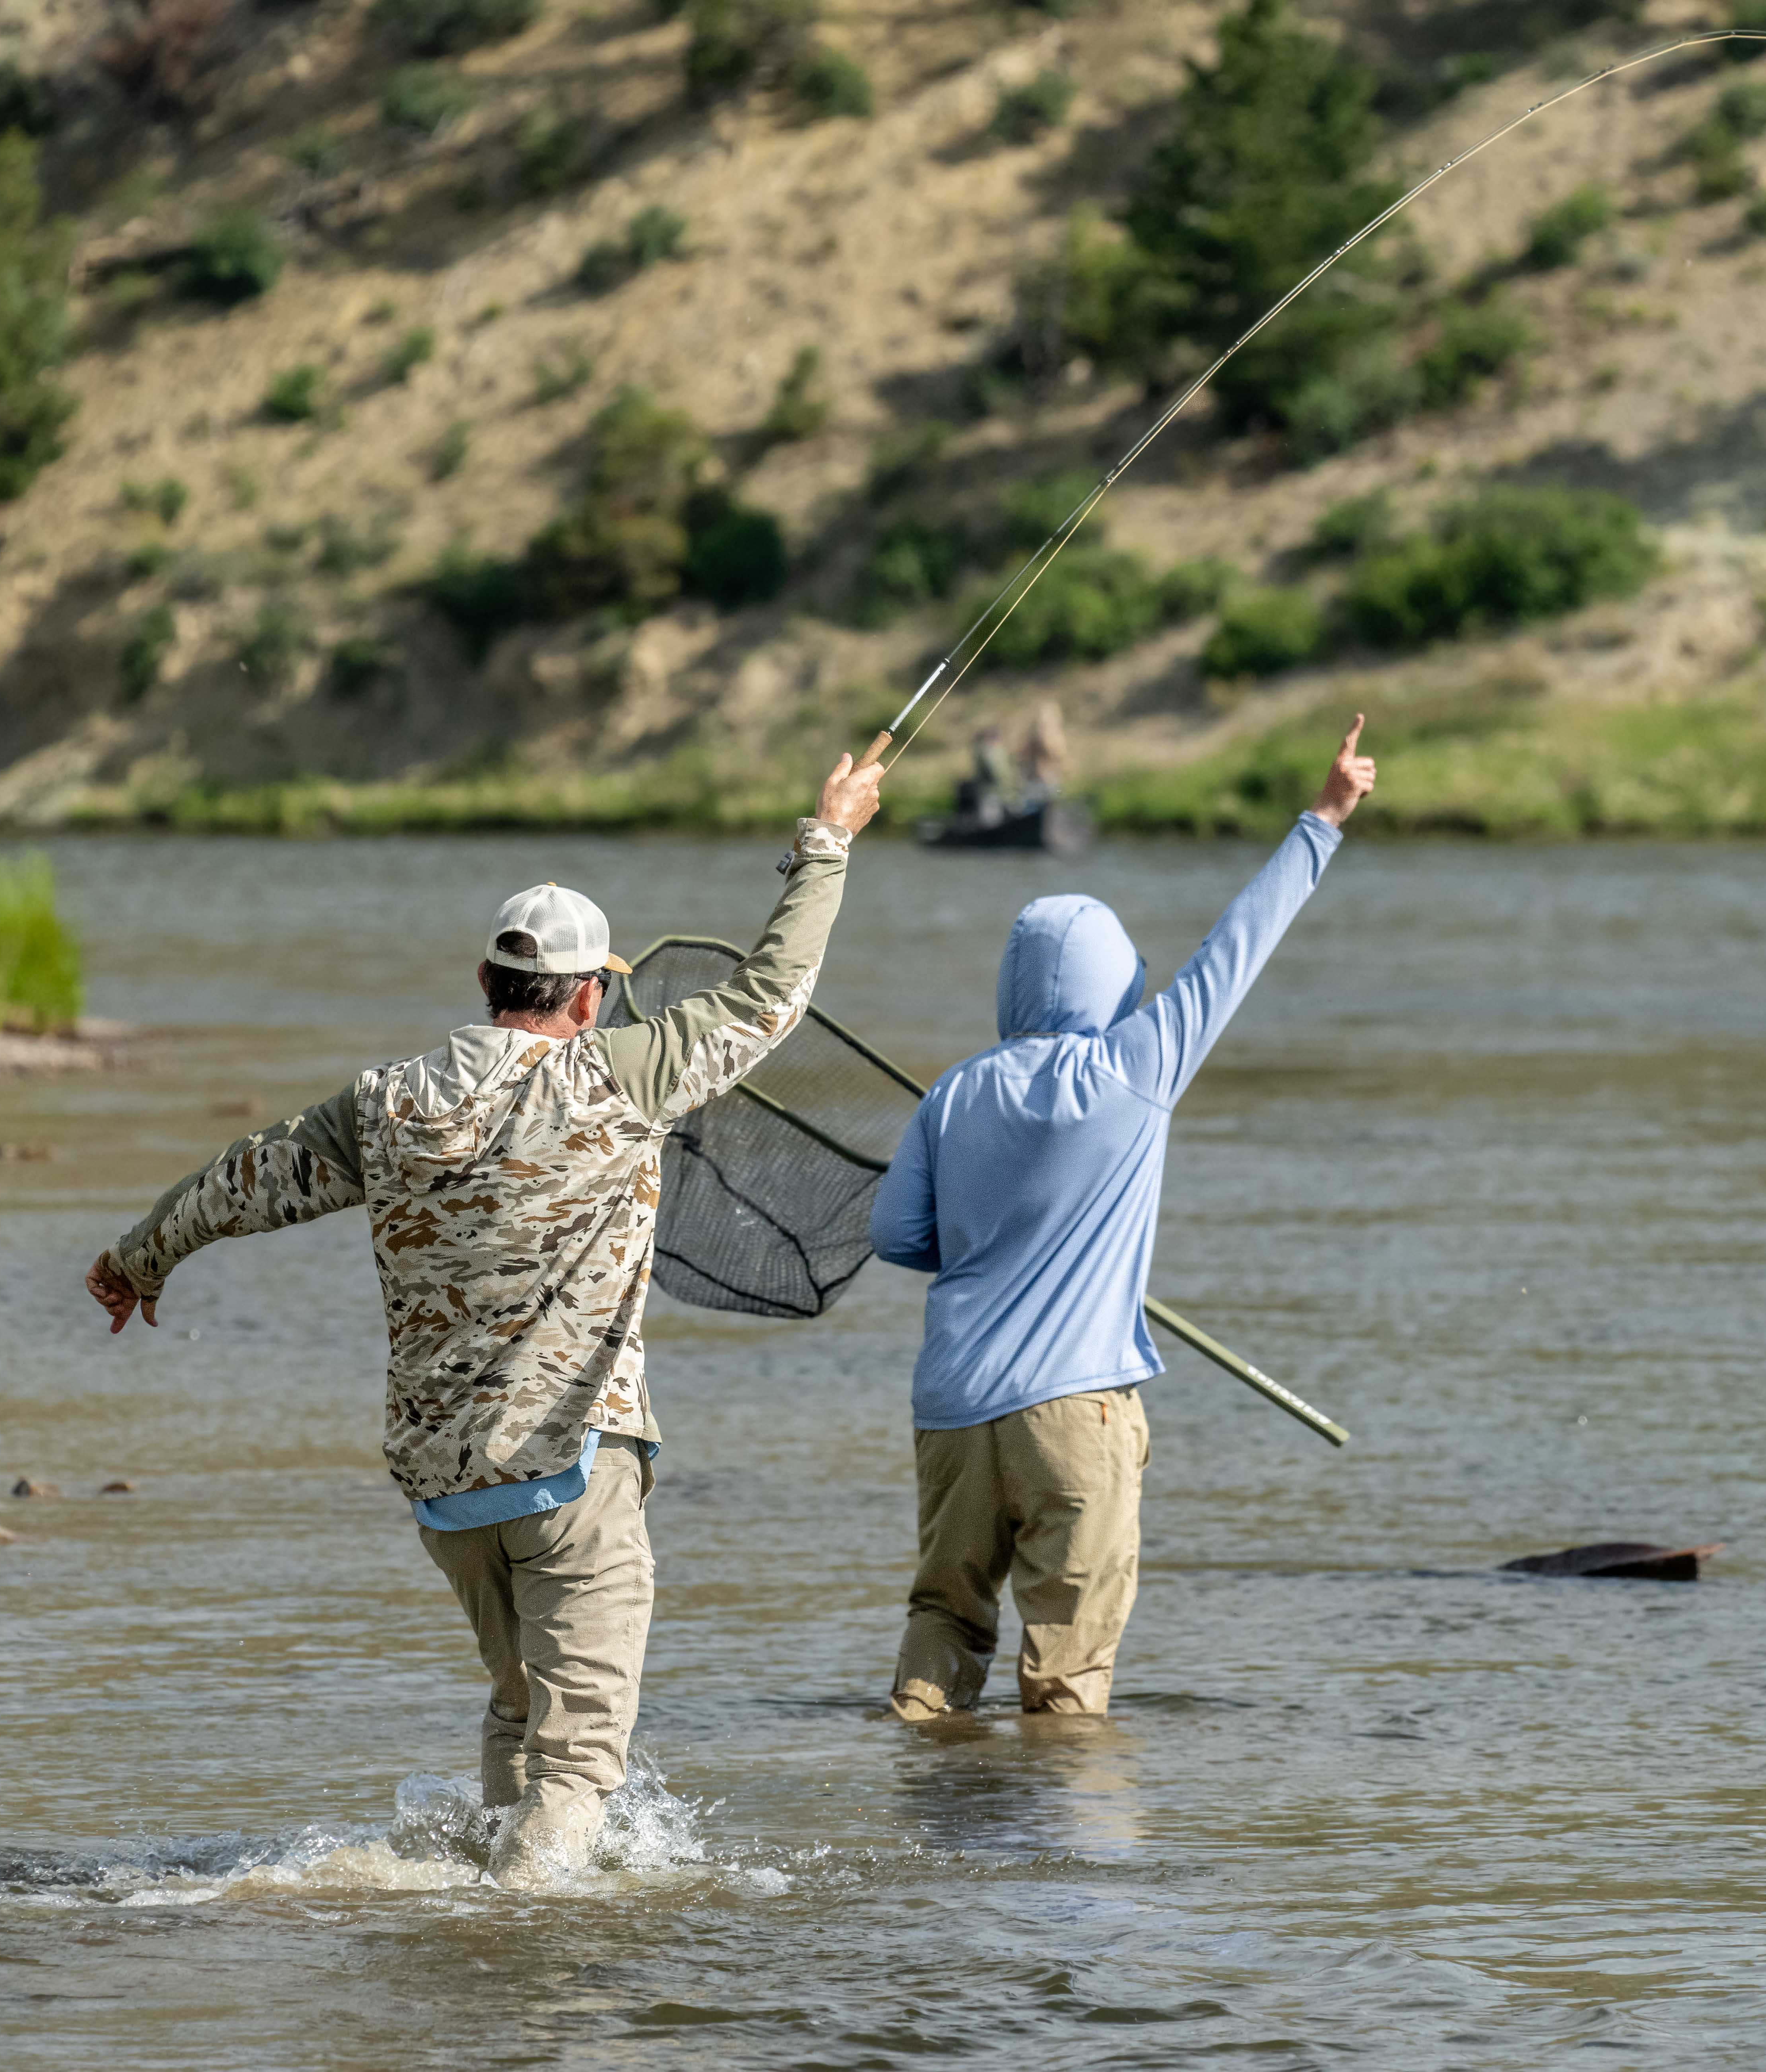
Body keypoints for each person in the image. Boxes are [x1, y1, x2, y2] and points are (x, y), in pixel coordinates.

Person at [83, 750, 886, 1884]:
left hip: (447, 1496)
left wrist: (137, 1258)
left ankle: (490, 1984)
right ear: (592, 995)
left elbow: (242, 1179)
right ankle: (517, 1939)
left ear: (486, 981)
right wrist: (827, 839)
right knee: (578, 1768)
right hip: (571, 1471)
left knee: (520, 1713)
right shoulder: (620, 1077)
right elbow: (770, 996)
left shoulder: (385, 1103)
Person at [867, 718, 1377, 1721]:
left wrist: (988, 1245)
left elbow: (895, 1238)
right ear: (1112, 984)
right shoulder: (1135, 1068)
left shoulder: (953, 1092)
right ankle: (1066, 1871)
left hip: (954, 1412)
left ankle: (919, 1843)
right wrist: (1322, 817)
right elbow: (1236, 947)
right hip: (1075, 1415)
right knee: (1066, 1674)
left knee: (943, 1621)